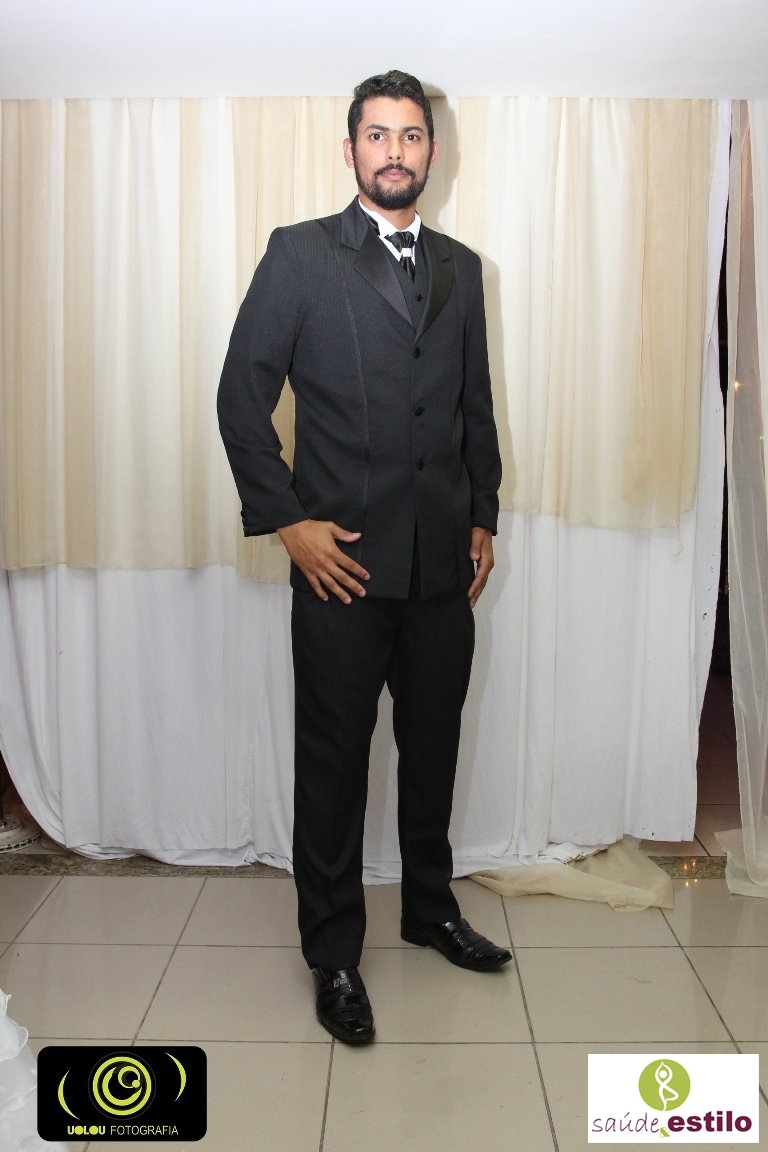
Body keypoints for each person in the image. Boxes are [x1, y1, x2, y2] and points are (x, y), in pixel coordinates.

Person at [218, 69, 510, 1046]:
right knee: (334, 766)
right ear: (350, 151)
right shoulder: (301, 255)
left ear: (433, 153)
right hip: (339, 570)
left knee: (432, 751)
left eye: (411, 135)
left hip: (441, 573)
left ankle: (429, 911)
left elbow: (472, 403)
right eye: (378, 135)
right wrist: (287, 522)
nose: (395, 150)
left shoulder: (463, 268)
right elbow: (239, 398)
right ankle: (334, 954)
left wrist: (482, 513)